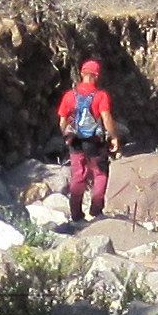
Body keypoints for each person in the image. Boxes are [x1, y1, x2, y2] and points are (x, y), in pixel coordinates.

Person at [57, 59, 121, 224]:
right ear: (97, 75)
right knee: (100, 173)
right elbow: (106, 118)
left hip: (75, 141)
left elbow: (62, 121)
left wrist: (66, 136)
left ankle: (76, 214)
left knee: (78, 175)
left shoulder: (69, 96)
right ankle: (96, 209)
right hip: (95, 142)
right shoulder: (101, 96)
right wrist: (113, 136)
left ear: (82, 73)